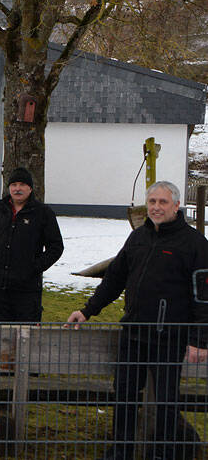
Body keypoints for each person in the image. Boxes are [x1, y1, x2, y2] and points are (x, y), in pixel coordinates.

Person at [66, 181, 208, 460]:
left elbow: (204, 295)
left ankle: (163, 452)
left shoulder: (194, 244)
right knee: (124, 395)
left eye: (163, 202)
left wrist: (200, 340)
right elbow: (114, 279)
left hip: (170, 337)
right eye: (152, 202)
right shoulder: (138, 238)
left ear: (176, 206)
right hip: (133, 334)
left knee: (166, 400)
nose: (156, 207)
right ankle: (122, 451)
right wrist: (87, 310)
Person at [0, 167, 64, 322]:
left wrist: (34, 267)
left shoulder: (43, 213)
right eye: (14, 185)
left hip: (27, 291)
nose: (17, 189)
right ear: (9, 188)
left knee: (27, 338)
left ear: (30, 188)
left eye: (22, 185)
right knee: (0, 337)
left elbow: (56, 247)